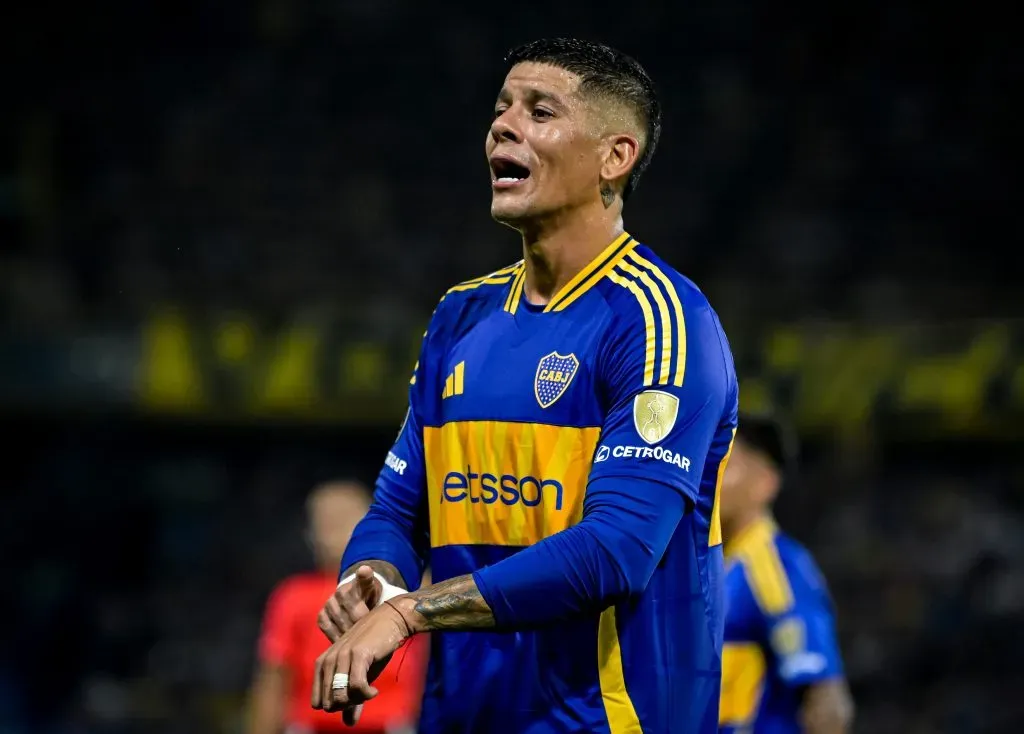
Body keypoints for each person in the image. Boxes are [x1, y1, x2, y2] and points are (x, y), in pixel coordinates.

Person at [312, 38, 739, 733]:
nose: (503, 126)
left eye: (540, 111)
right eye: (501, 108)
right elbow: (398, 506)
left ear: (615, 157)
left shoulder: (661, 321)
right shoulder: (461, 314)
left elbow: (616, 552)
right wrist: (375, 578)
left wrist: (410, 613)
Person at [249, 481, 427, 734]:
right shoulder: (293, 595)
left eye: (343, 517)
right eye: (322, 520)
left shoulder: (411, 588)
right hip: (312, 725)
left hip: (390, 725)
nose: (331, 528)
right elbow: (274, 678)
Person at [717, 413, 854, 734]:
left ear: (764, 483)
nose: (712, 478)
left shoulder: (775, 569)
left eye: (728, 466)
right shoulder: (708, 564)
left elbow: (828, 703)